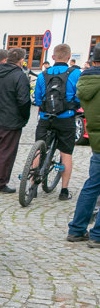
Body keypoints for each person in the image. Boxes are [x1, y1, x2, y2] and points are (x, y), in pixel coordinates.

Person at [34, 44, 81, 200]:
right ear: (69, 57)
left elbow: (38, 97)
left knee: (38, 149)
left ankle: (33, 184)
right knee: (66, 153)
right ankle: (64, 191)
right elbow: (79, 96)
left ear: (53, 57)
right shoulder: (75, 74)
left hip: (46, 118)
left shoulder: (43, 75)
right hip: (65, 118)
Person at [67, 44, 100, 247]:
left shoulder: (85, 79)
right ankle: (97, 235)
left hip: (96, 139)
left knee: (91, 186)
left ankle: (77, 229)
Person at [0, 47, 31, 193]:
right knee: (6, 152)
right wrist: (24, 117)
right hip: (11, 120)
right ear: (21, 60)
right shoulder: (19, 76)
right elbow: (24, 101)